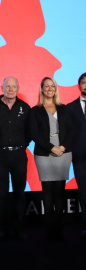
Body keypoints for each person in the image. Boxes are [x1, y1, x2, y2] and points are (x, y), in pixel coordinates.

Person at [30, 77, 73, 240]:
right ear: (41, 89)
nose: (49, 88)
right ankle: (50, 228)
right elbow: (34, 134)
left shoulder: (65, 109)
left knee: (60, 191)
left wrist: (62, 147)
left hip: (63, 152)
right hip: (44, 153)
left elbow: (71, 130)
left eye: (52, 86)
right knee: (47, 191)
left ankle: (58, 226)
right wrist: (51, 147)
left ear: (55, 89)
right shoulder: (35, 110)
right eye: (46, 86)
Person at [0, 76, 30, 240]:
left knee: (19, 193)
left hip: (19, 154)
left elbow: (30, 131)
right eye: (8, 86)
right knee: (2, 194)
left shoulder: (25, 107)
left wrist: (22, 145)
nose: (11, 89)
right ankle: (3, 229)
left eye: (14, 86)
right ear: (2, 88)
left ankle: (19, 228)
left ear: (18, 88)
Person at [67, 72, 86, 237]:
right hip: (80, 157)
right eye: (84, 82)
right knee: (84, 192)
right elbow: (68, 132)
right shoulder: (71, 107)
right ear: (78, 86)